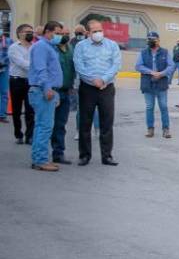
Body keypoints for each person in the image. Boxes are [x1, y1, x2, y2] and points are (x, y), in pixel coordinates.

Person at [73, 18, 121, 166]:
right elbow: (79, 65)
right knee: (85, 123)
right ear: (88, 33)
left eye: (100, 30)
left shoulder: (112, 45)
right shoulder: (81, 46)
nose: (98, 33)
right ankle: (84, 155)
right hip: (88, 88)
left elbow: (116, 64)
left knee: (107, 122)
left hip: (106, 88)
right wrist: (93, 80)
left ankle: (107, 156)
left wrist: (104, 79)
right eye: (95, 31)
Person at [27, 21, 64, 172]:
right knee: (45, 127)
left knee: (41, 126)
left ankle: (38, 158)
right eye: (57, 33)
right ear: (48, 32)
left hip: (47, 91)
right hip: (42, 91)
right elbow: (41, 69)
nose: (60, 36)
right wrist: (48, 89)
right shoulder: (42, 47)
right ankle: (40, 160)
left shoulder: (49, 47)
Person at [137, 30, 172, 138]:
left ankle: (166, 129)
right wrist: (151, 72)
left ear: (158, 40)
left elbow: (171, 66)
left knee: (164, 106)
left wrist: (161, 74)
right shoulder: (143, 52)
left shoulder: (165, 52)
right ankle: (150, 129)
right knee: (149, 107)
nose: (151, 41)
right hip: (148, 84)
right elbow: (138, 66)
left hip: (161, 84)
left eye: (153, 39)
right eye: (149, 39)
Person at [50, 30, 76, 164]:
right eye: (61, 33)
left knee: (61, 124)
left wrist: (72, 86)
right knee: (47, 124)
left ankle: (58, 153)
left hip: (66, 91)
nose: (65, 35)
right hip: (53, 91)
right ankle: (40, 154)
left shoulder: (70, 48)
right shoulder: (51, 48)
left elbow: (73, 68)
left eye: (67, 32)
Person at [7, 23, 35, 144]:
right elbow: (21, 63)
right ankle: (18, 133)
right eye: (27, 31)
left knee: (30, 110)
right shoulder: (13, 48)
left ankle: (29, 135)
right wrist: (36, 67)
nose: (30, 34)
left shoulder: (35, 47)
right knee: (17, 110)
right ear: (20, 33)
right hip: (17, 81)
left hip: (30, 82)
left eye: (31, 31)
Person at [0, 29, 10, 124]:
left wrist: (3, 62)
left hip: (4, 69)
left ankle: (2, 115)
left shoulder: (7, 41)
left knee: (3, 93)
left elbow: (10, 53)